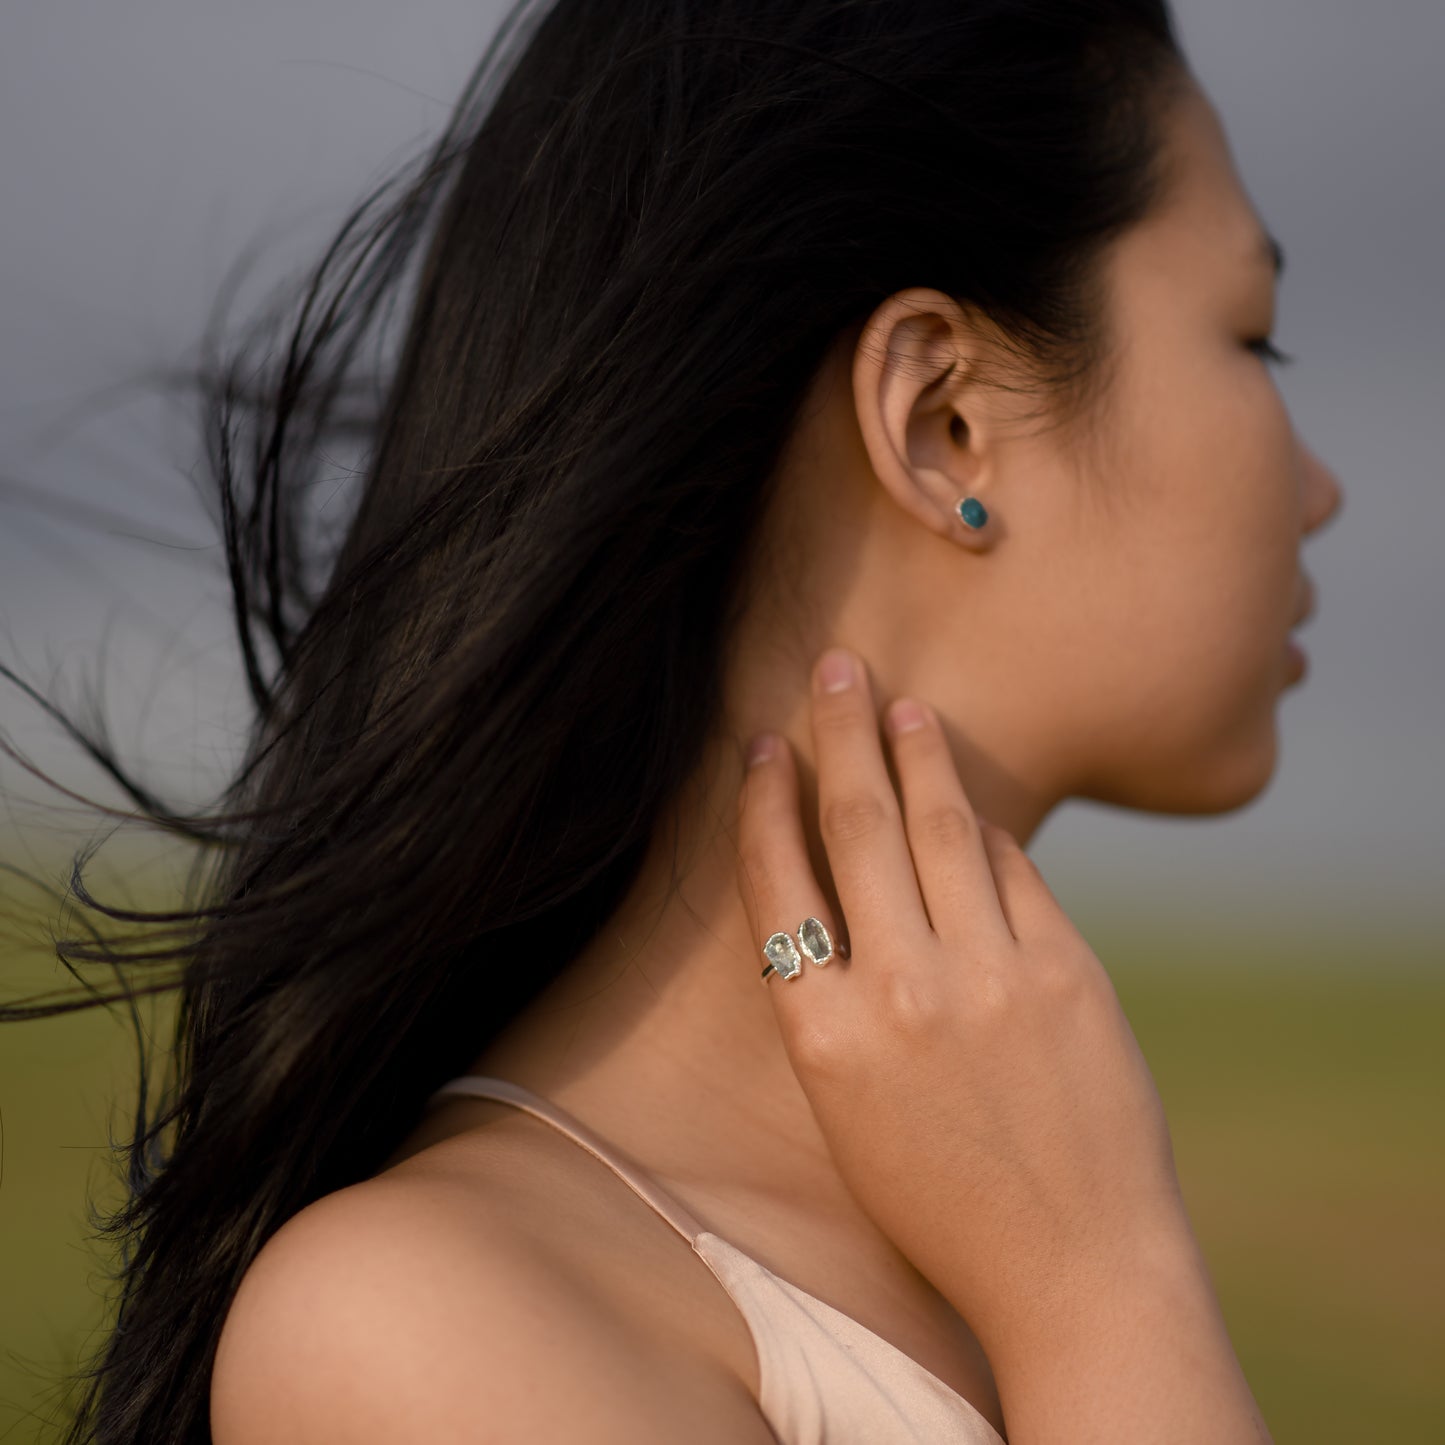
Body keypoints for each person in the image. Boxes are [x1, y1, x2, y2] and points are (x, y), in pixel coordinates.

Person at [2, 2, 1344, 1442]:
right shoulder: (426, 1330)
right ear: (940, 416)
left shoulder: (1009, 1223)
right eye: (1250, 338)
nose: (1319, 486)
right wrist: (1105, 1297)